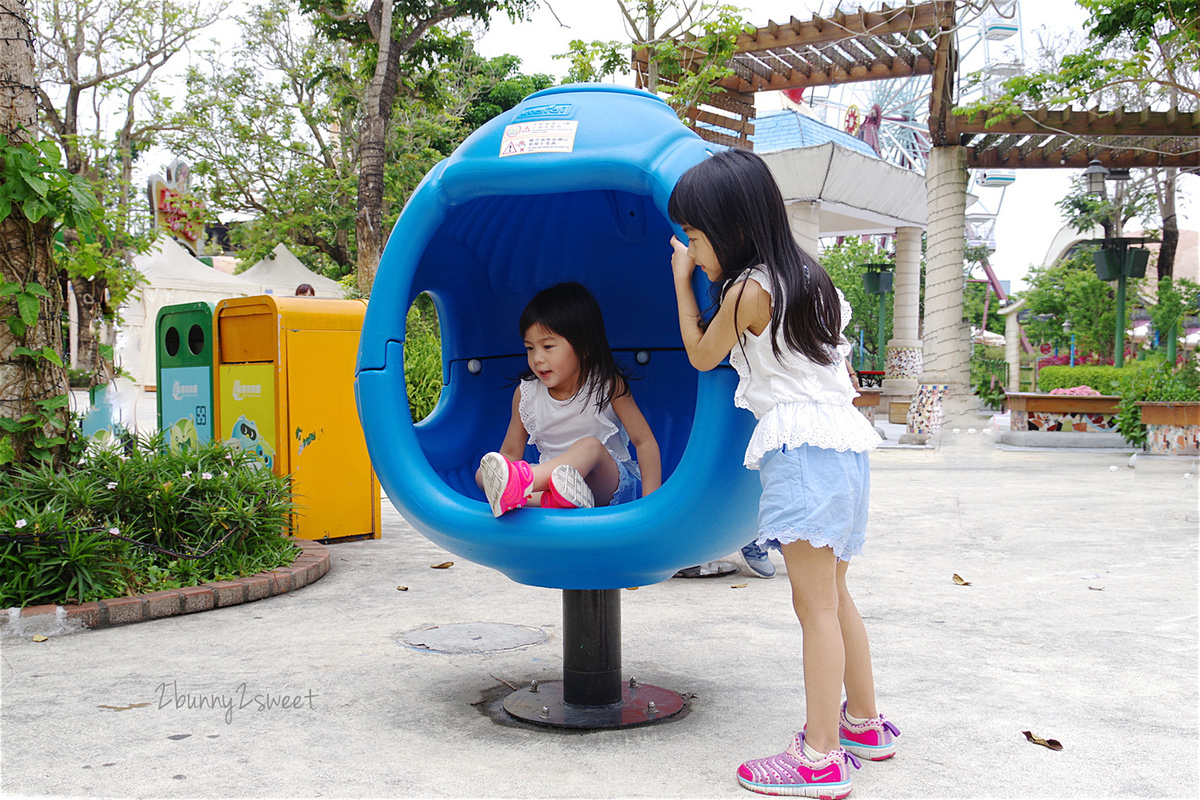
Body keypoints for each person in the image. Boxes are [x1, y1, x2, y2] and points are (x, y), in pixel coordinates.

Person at [667, 149, 897, 799]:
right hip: (846, 446)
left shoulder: (745, 291)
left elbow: (700, 353)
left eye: (696, 236)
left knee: (814, 606)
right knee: (835, 597)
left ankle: (820, 757)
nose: (692, 247)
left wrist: (681, 282)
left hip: (801, 451)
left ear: (732, 227)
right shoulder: (812, 279)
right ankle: (863, 725)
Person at [475, 282, 661, 517]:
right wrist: (495, 473)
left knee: (589, 446)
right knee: (482, 473)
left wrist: (652, 503)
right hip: (553, 485)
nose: (537, 358)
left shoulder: (607, 385)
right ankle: (554, 499)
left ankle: (524, 487)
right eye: (530, 348)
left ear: (584, 347)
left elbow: (645, 442)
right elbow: (510, 454)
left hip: (608, 488)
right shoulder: (527, 393)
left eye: (548, 346)